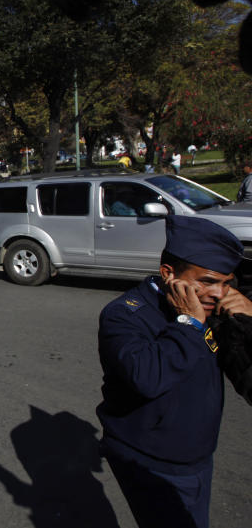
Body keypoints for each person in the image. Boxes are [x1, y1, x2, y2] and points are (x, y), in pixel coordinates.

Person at [97, 215, 252, 528]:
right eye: (207, 281)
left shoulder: (215, 309)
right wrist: (189, 324)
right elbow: (147, 378)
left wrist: (248, 326)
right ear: (168, 273)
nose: (219, 293)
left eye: (226, 282)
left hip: (196, 455)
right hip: (150, 459)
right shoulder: (125, 315)